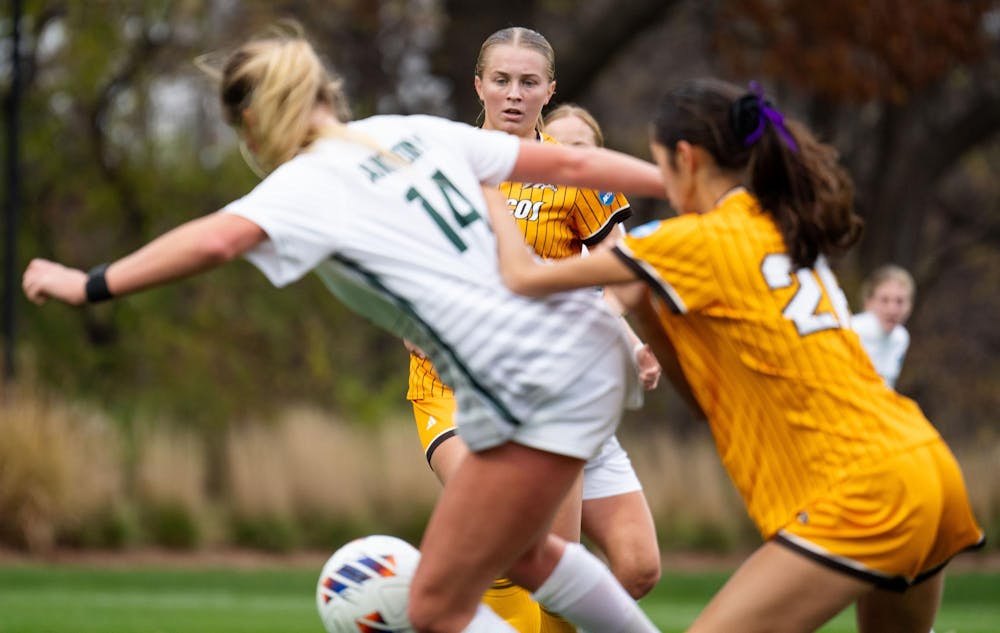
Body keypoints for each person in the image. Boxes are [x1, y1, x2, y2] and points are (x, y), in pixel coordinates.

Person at [21, 27, 666, 633]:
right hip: (576, 355)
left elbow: (215, 240)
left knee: (437, 605)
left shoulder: (306, 185)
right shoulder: (410, 130)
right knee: (530, 560)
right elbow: (576, 168)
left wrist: (89, 284)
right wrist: (678, 183)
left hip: (517, 382)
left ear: (254, 120)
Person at [485, 77, 984, 633]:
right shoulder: (777, 222)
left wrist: (482, 181)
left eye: (662, 167)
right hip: (926, 465)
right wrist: (649, 308)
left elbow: (522, 275)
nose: (667, 188)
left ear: (685, 158)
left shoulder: (690, 242)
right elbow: (704, 403)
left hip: (863, 491)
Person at [405, 28, 661, 632]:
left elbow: (622, 273)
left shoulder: (573, 172)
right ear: (479, 85)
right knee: (500, 523)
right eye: (501, 80)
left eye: (527, 82)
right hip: (453, 389)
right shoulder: (441, 166)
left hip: (550, 392)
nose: (513, 94)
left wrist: (616, 334)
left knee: (564, 574)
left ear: (550, 90)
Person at [851, 264, 915, 388]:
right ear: (868, 302)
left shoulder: (901, 338)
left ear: (909, 306)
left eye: (900, 301)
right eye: (884, 300)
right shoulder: (851, 330)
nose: (892, 310)